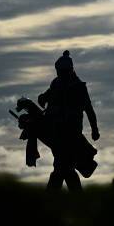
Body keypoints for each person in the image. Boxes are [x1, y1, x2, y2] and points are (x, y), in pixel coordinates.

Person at [38, 50, 99, 191]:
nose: (60, 74)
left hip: (72, 134)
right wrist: (42, 98)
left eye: (62, 71)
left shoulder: (79, 87)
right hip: (56, 131)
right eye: (59, 71)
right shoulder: (56, 83)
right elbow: (46, 96)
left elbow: (89, 110)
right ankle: (72, 201)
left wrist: (95, 130)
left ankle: (54, 200)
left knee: (63, 167)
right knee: (63, 167)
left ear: (69, 70)